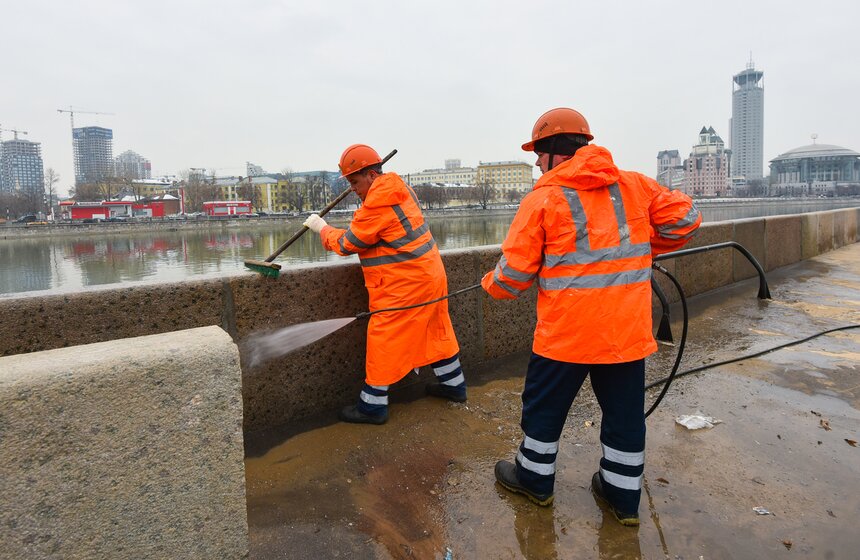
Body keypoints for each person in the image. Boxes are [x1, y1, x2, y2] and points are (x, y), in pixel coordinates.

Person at [483, 108, 701, 524]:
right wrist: (647, 242)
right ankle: (622, 498)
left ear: (551, 153)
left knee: (544, 411)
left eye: (537, 154)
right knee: (624, 416)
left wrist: (487, 283)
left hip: (565, 337)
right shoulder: (634, 185)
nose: (534, 163)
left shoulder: (543, 198)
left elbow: (511, 279)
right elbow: (687, 220)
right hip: (624, 335)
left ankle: (534, 480)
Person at [303, 144, 467, 425]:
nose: (353, 188)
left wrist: (322, 228)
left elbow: (347, 243)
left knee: (384, 338)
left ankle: (372, 406)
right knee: (435, 328)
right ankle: (454, 386)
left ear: (369, 175)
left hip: (404, 285)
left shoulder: (378, 202)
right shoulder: (398, 190)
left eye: (355, 181)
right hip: (429, 274)